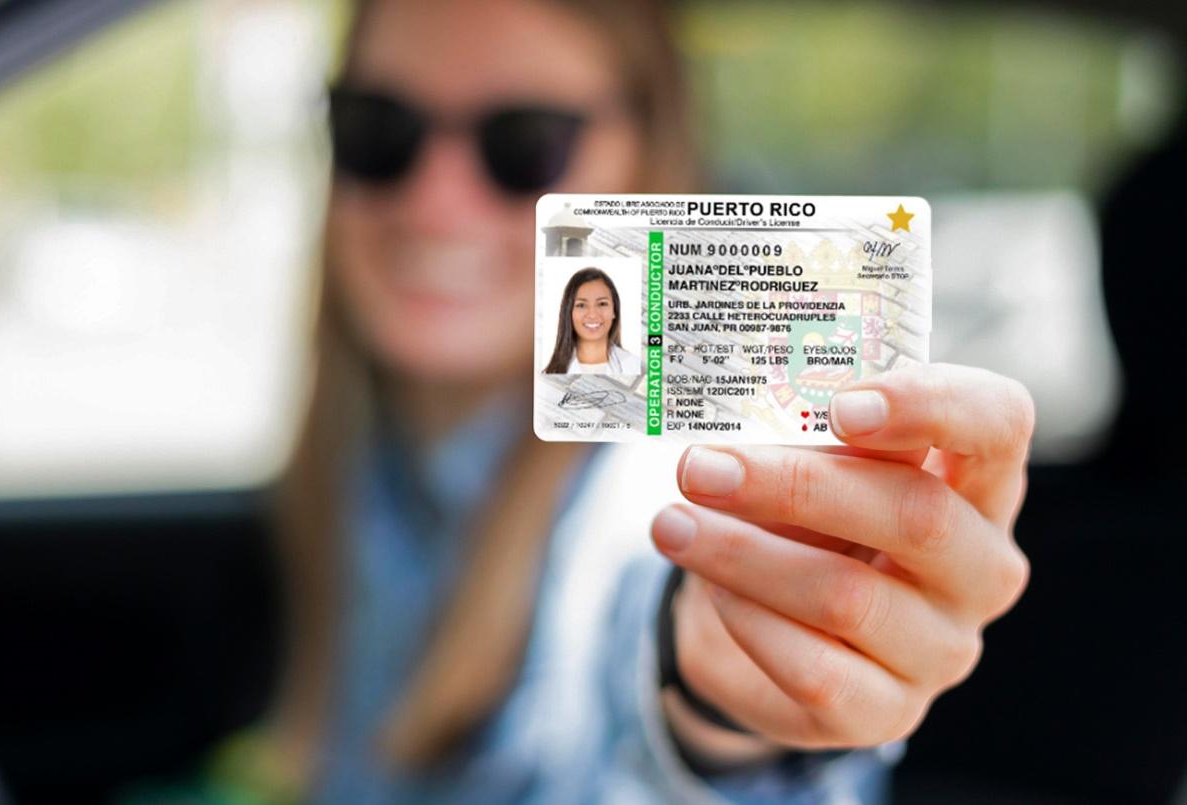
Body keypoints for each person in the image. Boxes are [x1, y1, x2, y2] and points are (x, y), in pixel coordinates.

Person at [216, 0, 1034, 802]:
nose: (435, 201)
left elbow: (649, 610)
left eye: (524, 143)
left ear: (650, 157)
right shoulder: (370, 450)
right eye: (377, 130)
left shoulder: (659, 472)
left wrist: (715, 690)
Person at [542, 267, 642, 376]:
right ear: (569, 313)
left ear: (614, 311)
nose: (593, 314)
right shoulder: (547, 375)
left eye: (602, 304)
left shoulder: (635, 366)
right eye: (581, 305)